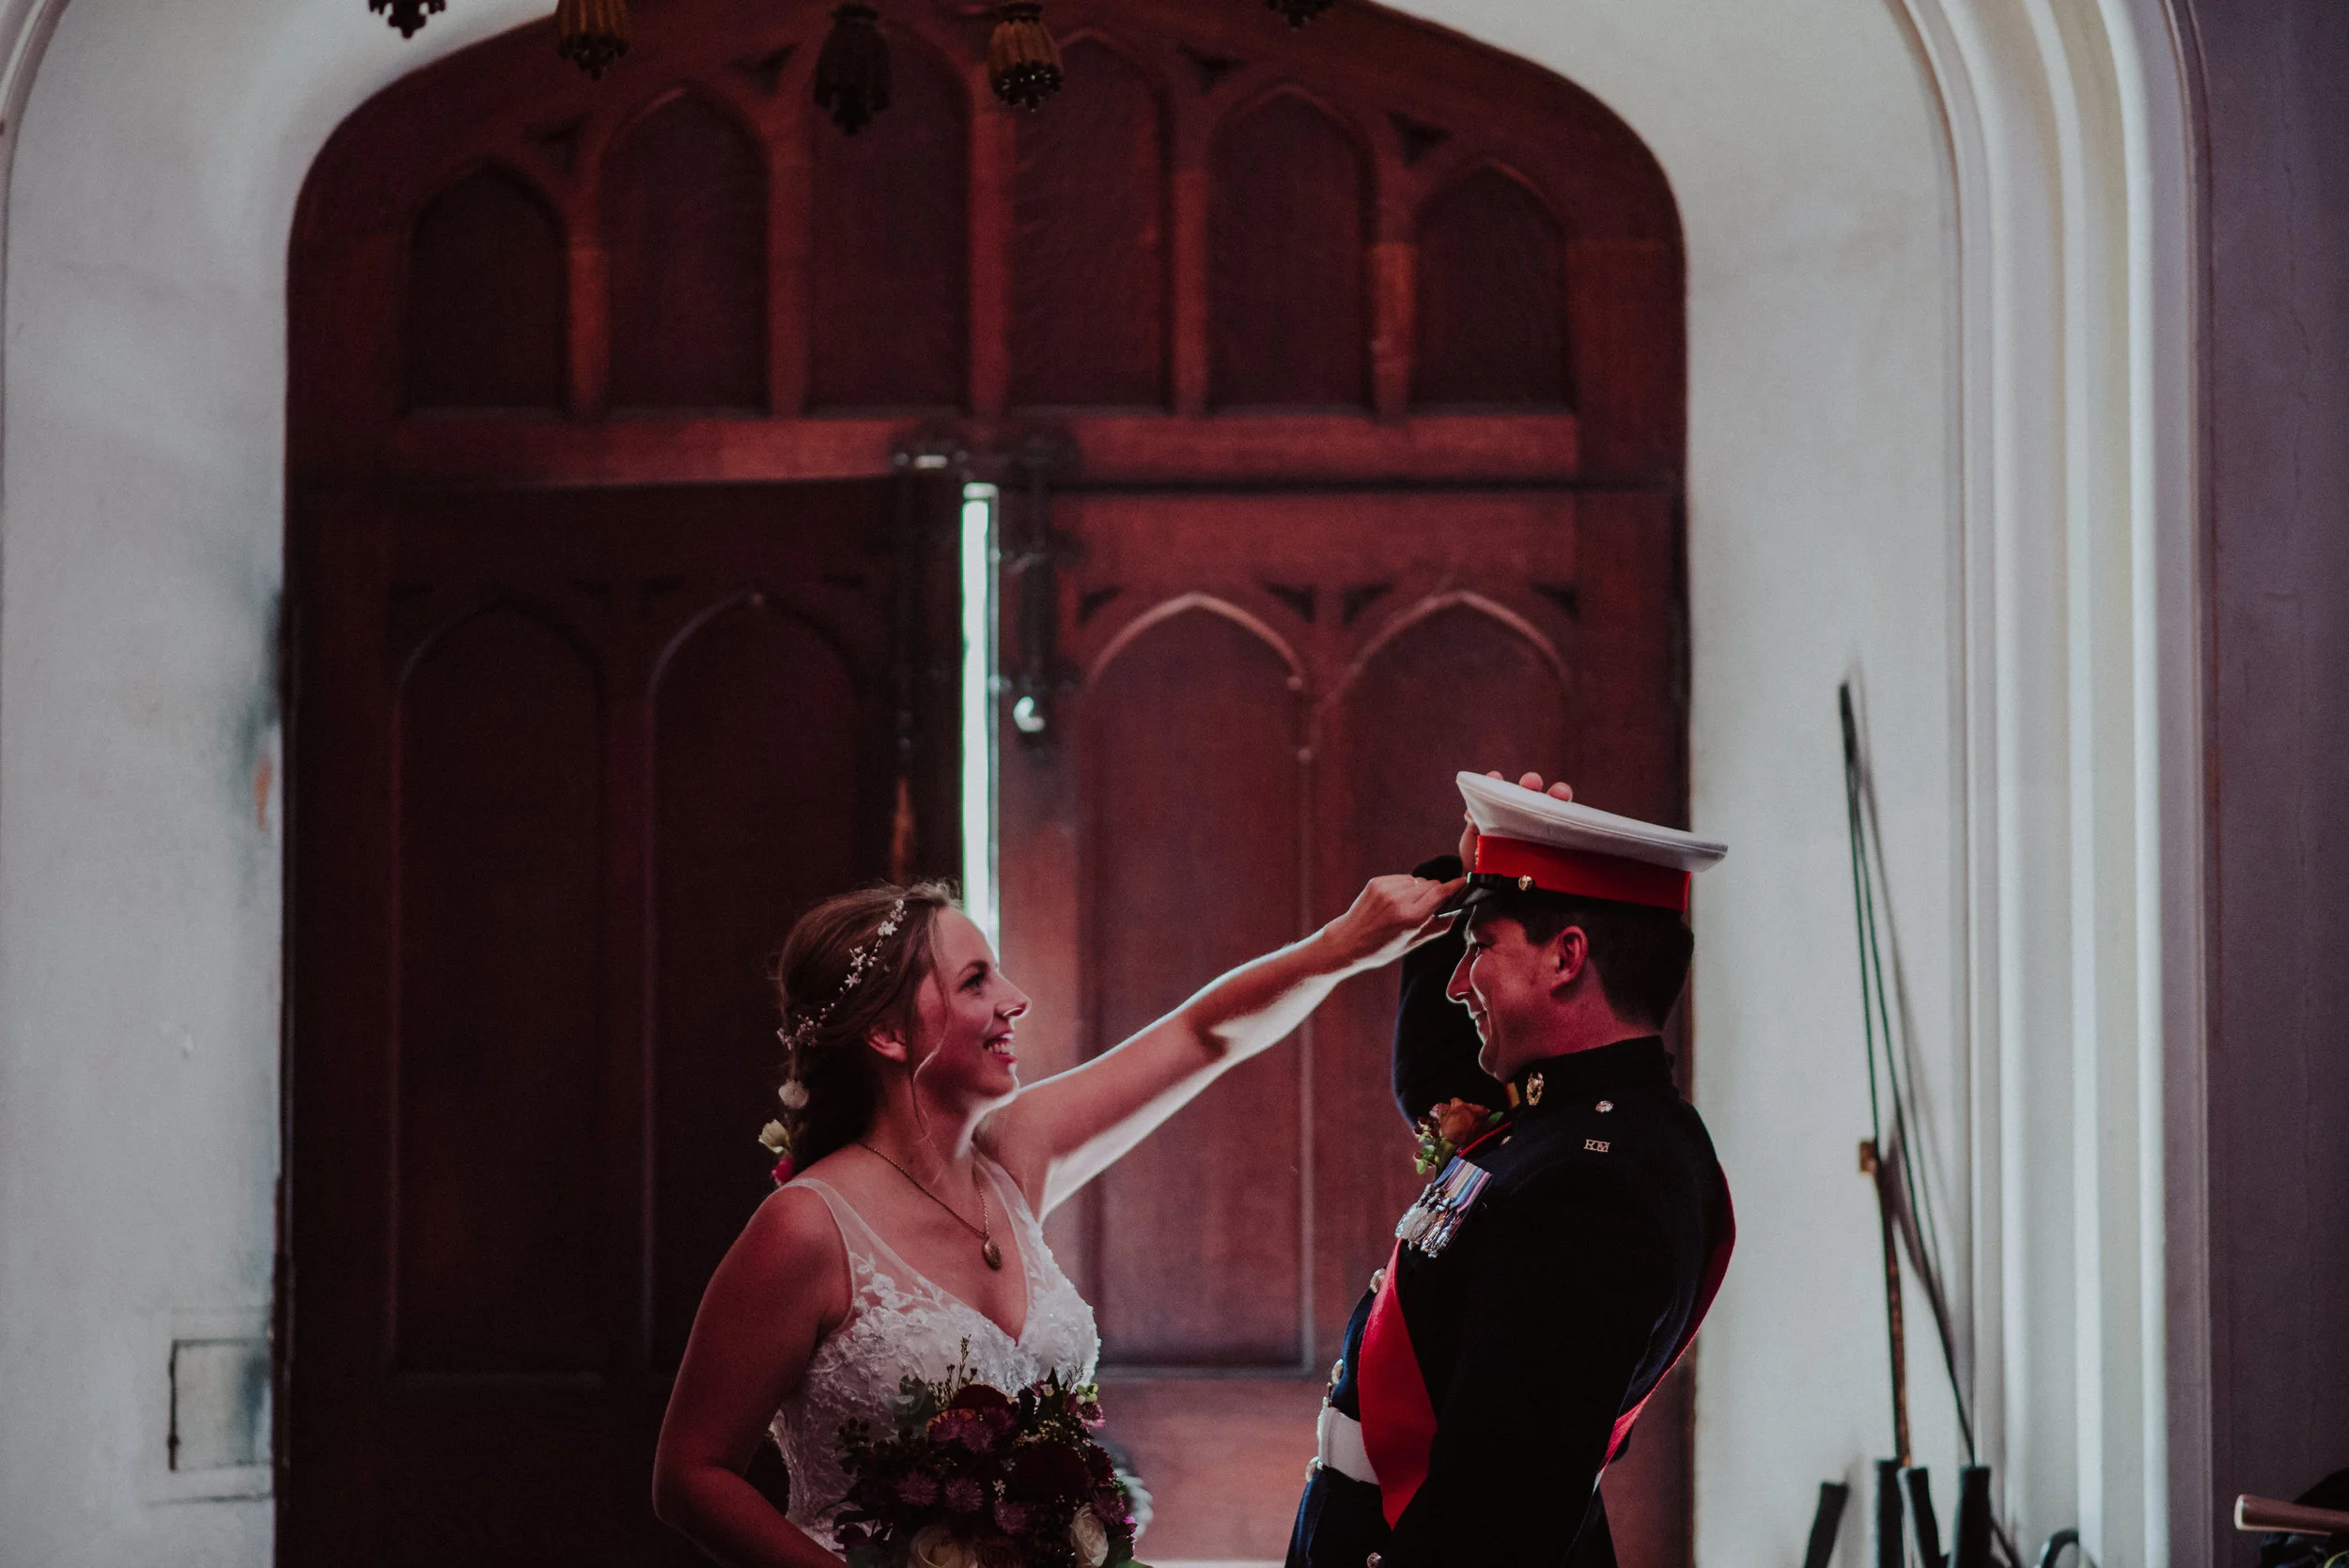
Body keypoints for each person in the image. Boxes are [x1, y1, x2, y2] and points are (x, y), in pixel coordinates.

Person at [652, 865, 1462, 1565]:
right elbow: (691, 1473)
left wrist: (1344, 947)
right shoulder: (807, 1227)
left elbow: (1202, 1035)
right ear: (888, 1032)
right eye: (976, 981)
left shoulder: (1012, 1157)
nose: (1015, 999)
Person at [1285, 770, 1736, 1568]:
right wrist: (1469, 874)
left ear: (1566, 958)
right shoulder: (1569, 1115)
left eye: (1480, 948)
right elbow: (1433, 1073)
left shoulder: (1591, 1187)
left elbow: (1492, 1520)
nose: (1460, 983)